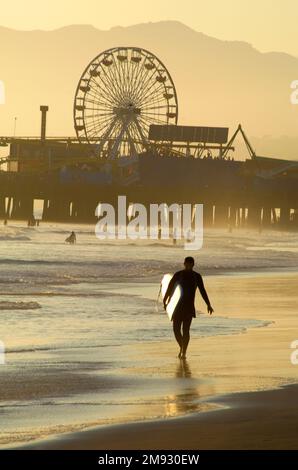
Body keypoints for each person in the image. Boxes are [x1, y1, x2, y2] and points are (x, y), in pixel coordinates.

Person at [163, 256, 213, 359]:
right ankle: (182, 347)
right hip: (179, 306)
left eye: (190, 264)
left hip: (189, 307)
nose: (188, 265)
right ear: (184, 264)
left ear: (193, 265)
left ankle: (183, 352)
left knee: (186, 330)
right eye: (187, 264)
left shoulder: (197, 276)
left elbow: (202, 291)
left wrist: (208, 304)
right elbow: (170, 287)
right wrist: (165, 300)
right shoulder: (179, 274)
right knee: (176, 330)